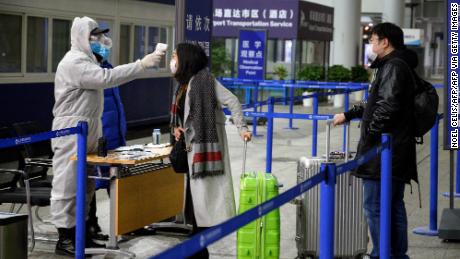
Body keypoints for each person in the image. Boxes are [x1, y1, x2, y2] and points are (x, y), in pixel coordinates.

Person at [51, 16, 165, 256]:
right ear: (82, 36)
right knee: (68, 185)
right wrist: (141, 64)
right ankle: (65, 237)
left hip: (89, 128)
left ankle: (84, 233)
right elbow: (106, 79)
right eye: (95, 35)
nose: (100, 39)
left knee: (87, 183)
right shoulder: (74, 62)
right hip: (72, 130)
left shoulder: (89, 60)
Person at [333, 23, 418, 259]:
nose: (370, 43)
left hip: (383, 151)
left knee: (374, 206)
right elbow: (375, 102)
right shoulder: (396, 65)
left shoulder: (392, 67)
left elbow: (387, 106)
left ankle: (383, 254)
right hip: (397, 146)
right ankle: (396, 254)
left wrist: (370, 135)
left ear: (385, 42)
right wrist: (349, 114)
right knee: (392, 205)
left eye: (373, 39)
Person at [170, 43, 252, 259]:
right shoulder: (184, 85)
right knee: (197, 206)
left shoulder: (205, 81)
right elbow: (183, 117)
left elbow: (232, 101)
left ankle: (197, 251)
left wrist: (242, 128)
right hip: (192, 153)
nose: (172, 60)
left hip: (205, 153)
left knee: (205, 205)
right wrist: (178, 129)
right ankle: (199, 250)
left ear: (186, 59)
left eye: (175, 56)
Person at [86, 35, 128, 243]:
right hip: (100, 136)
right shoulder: (87, 70)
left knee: (117, 181)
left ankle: (125, 223)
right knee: (92, 182)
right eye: (97, 41)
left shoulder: (108, 67)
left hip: (115, 135)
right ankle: (90, 225)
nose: (103, 45)